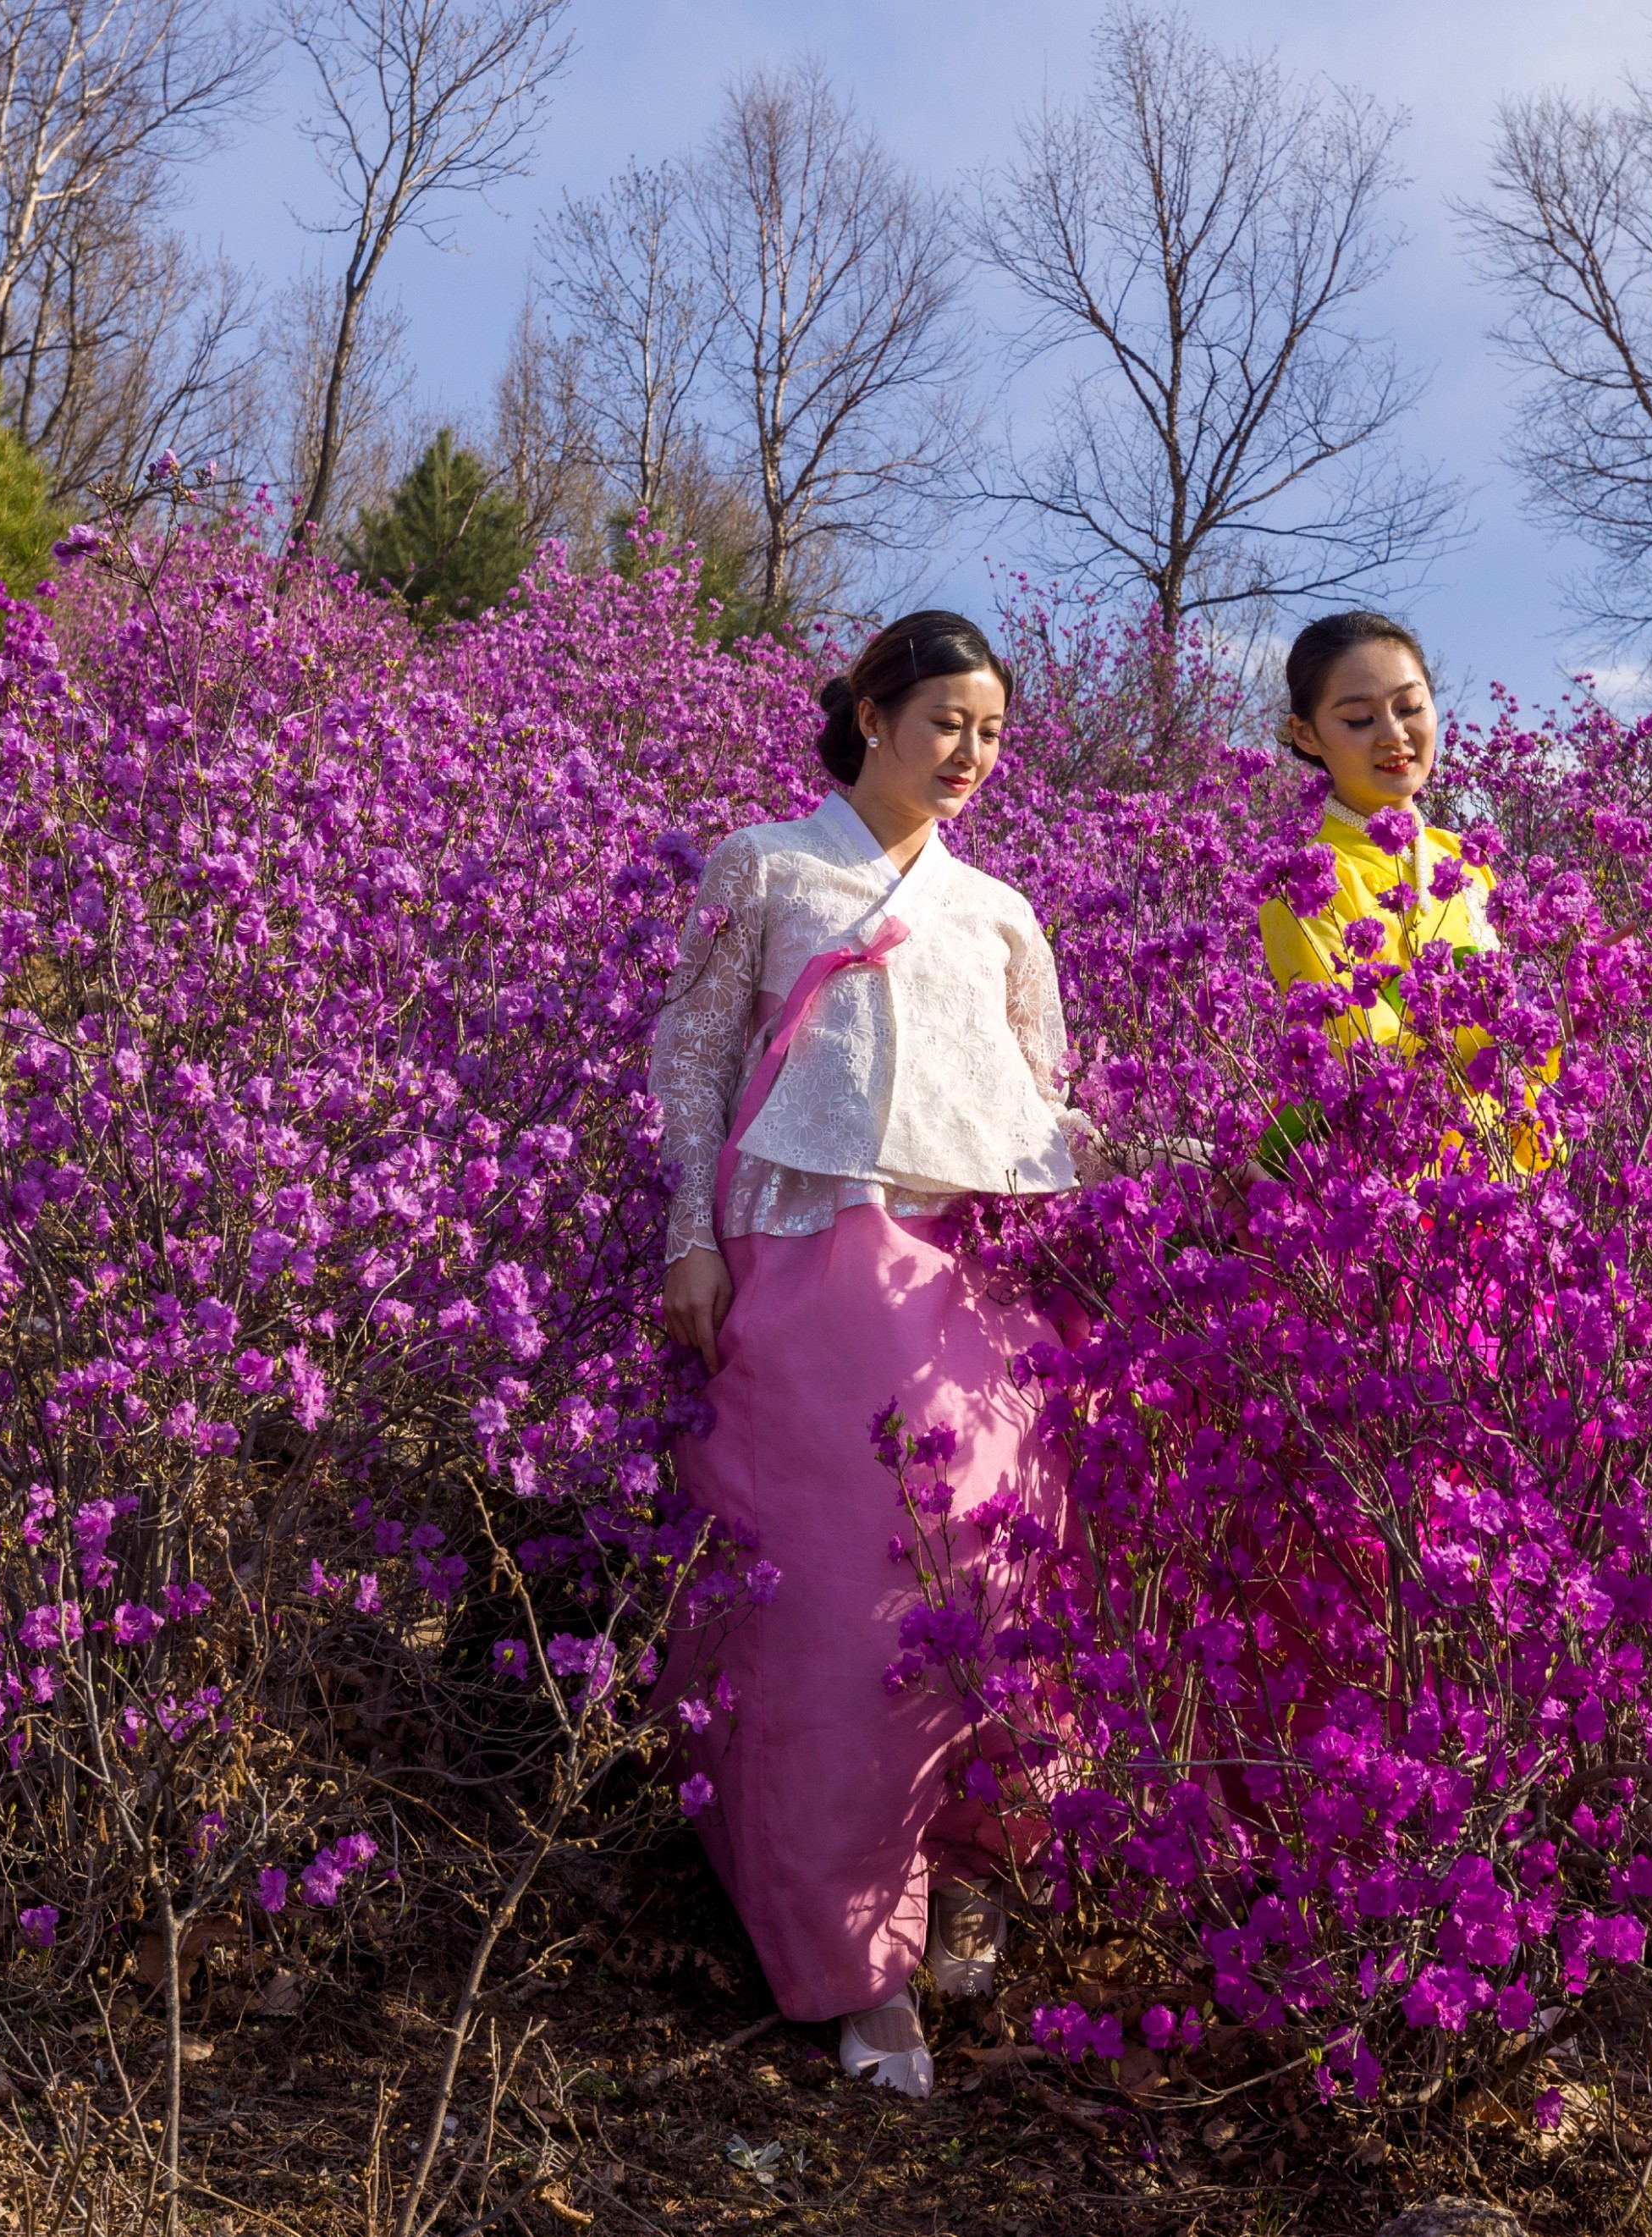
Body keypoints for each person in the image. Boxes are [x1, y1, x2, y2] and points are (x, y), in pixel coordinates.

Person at [647, 610, 1083, 2100]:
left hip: (962, 1283)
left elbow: (1038, 1100)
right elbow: (692, 1055)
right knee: (832, 1606)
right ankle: (853, 1957)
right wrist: (684, 1240)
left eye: (989, 732)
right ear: (870, 711)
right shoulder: (767, 866)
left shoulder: (1001, 911)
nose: (966, 753)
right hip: (804, 1262)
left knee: (982, 1579)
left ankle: (964, 1870)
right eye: (943, 720)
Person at [1254, 609, 1539, 1166]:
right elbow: (1364, 1064)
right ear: (1306, 734)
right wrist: (1526, 1036)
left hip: (1506, 1175)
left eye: (1410, 708)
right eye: (1359, 719)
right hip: (1391, 1194)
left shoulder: (1467, 862)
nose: (1394, 735)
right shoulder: (1308, 880)